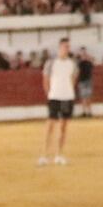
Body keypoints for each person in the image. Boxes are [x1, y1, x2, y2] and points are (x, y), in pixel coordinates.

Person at [37, 37, 77, 165]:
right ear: (60, 47)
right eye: (65, 46)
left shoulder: (72, 63)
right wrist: (49, 93)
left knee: (63, 127)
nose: (67, 49)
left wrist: (69, 91)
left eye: (68, 47)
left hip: (67, 97)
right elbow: (45, 79)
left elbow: (73, 79)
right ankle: (44, 155)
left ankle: (59, 155)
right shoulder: (51, 63)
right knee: (50, 126)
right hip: (54, 97)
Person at [76, 50, 95, 118]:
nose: (84, 56)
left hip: (84, 82)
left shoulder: (81, 63)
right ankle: (87, 112)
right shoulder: (86, 63)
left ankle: (87, 112)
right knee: (86, 97)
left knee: (86, 97)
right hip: (86, 81)